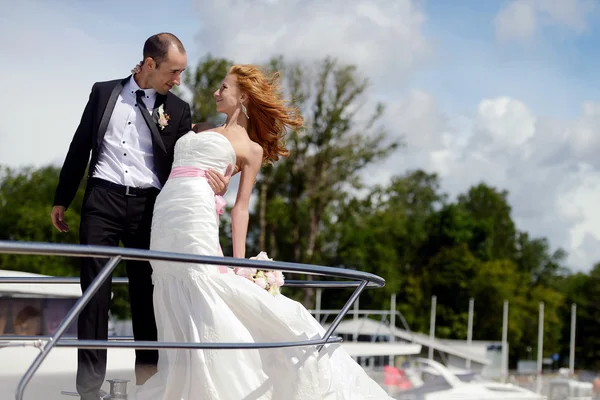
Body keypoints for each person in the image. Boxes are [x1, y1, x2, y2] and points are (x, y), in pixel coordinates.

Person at [130, 63, 393, 399]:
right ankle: (185, 375)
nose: (216, 92)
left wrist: (240, 263)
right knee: (167, 282)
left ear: (242, 97)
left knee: (201, 285)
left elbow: (241, 208)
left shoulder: (251, 150)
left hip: (195, 212)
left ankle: (223, 380)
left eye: (224, 88)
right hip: (165, 210)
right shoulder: (201, 127)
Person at [50, 33, 230, 400]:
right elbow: (80, 144)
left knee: (146, 295)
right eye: (173, 71)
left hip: (150, 207)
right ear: (149, 64)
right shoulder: (103, 92)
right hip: (102, 199)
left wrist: (217, 182)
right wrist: (62, 199)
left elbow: (186, 161)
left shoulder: (178, 110)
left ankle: (147, 383)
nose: (177, 80)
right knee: (94, 293)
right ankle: (88, 389)